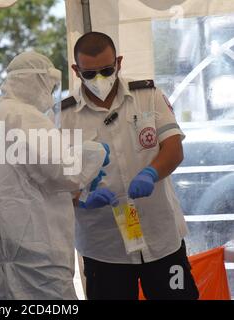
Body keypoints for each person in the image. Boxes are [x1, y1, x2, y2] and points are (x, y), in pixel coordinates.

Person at [62, 32, 199, 300]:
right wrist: (82, 198)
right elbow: (55, 182)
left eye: (106, 70)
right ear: (76, 71)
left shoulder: (148, 95)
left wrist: (151, 172)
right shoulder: (64, 117)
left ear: (119, 63)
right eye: (89, 74)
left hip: (161, 238)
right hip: (104, 247)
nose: (99, 79)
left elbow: (174, 148)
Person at [0, 51, 109, 300]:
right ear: (34, 81)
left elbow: (20, 178)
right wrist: (96, 152)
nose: (51, 92)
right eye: (49, 85)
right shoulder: (24, 117)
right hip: (38, 259)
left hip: (8, 259)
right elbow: (62, 169)